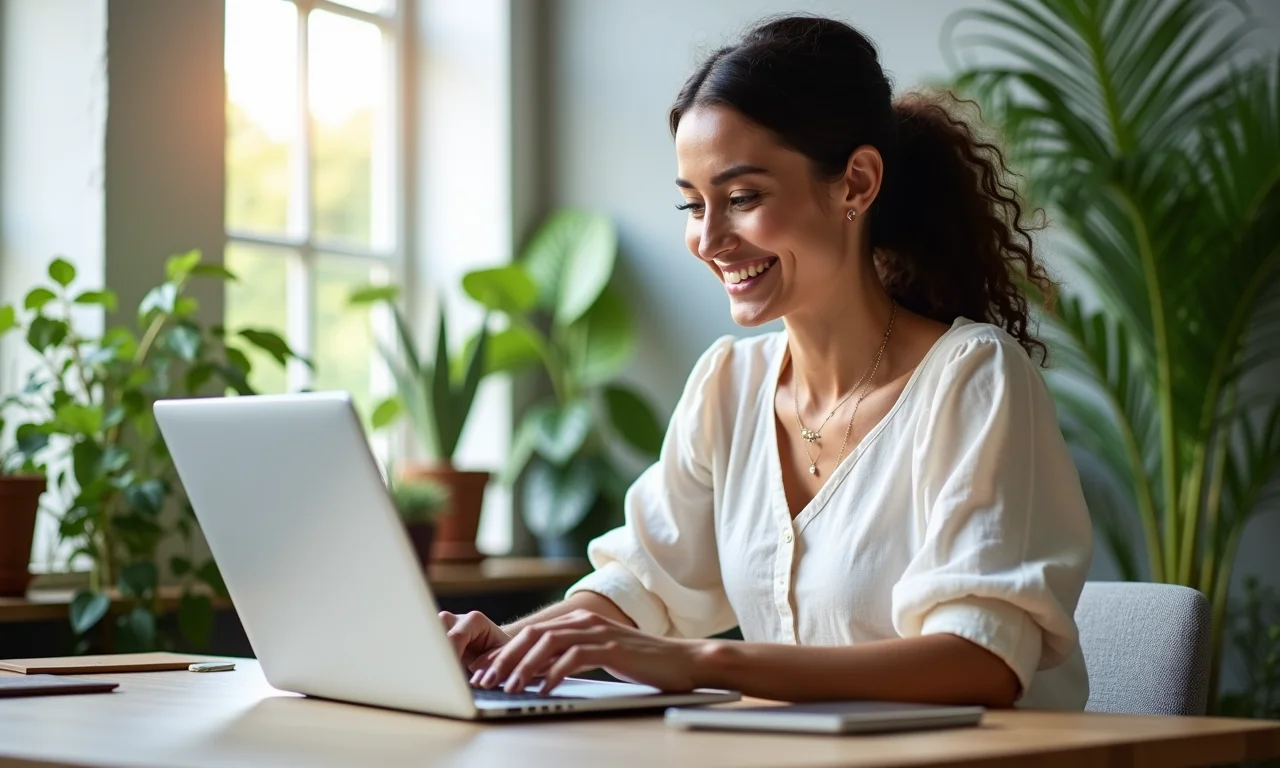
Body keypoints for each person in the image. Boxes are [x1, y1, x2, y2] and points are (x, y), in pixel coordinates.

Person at [441, 14, 1092, 710]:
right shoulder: (729, 385)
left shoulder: (972, 380)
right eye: (693, 205)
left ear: (856, 184)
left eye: (742, 198)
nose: (710, 238)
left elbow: (980, 661)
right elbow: (643, 586)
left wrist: (706, 661)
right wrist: (504, 646)